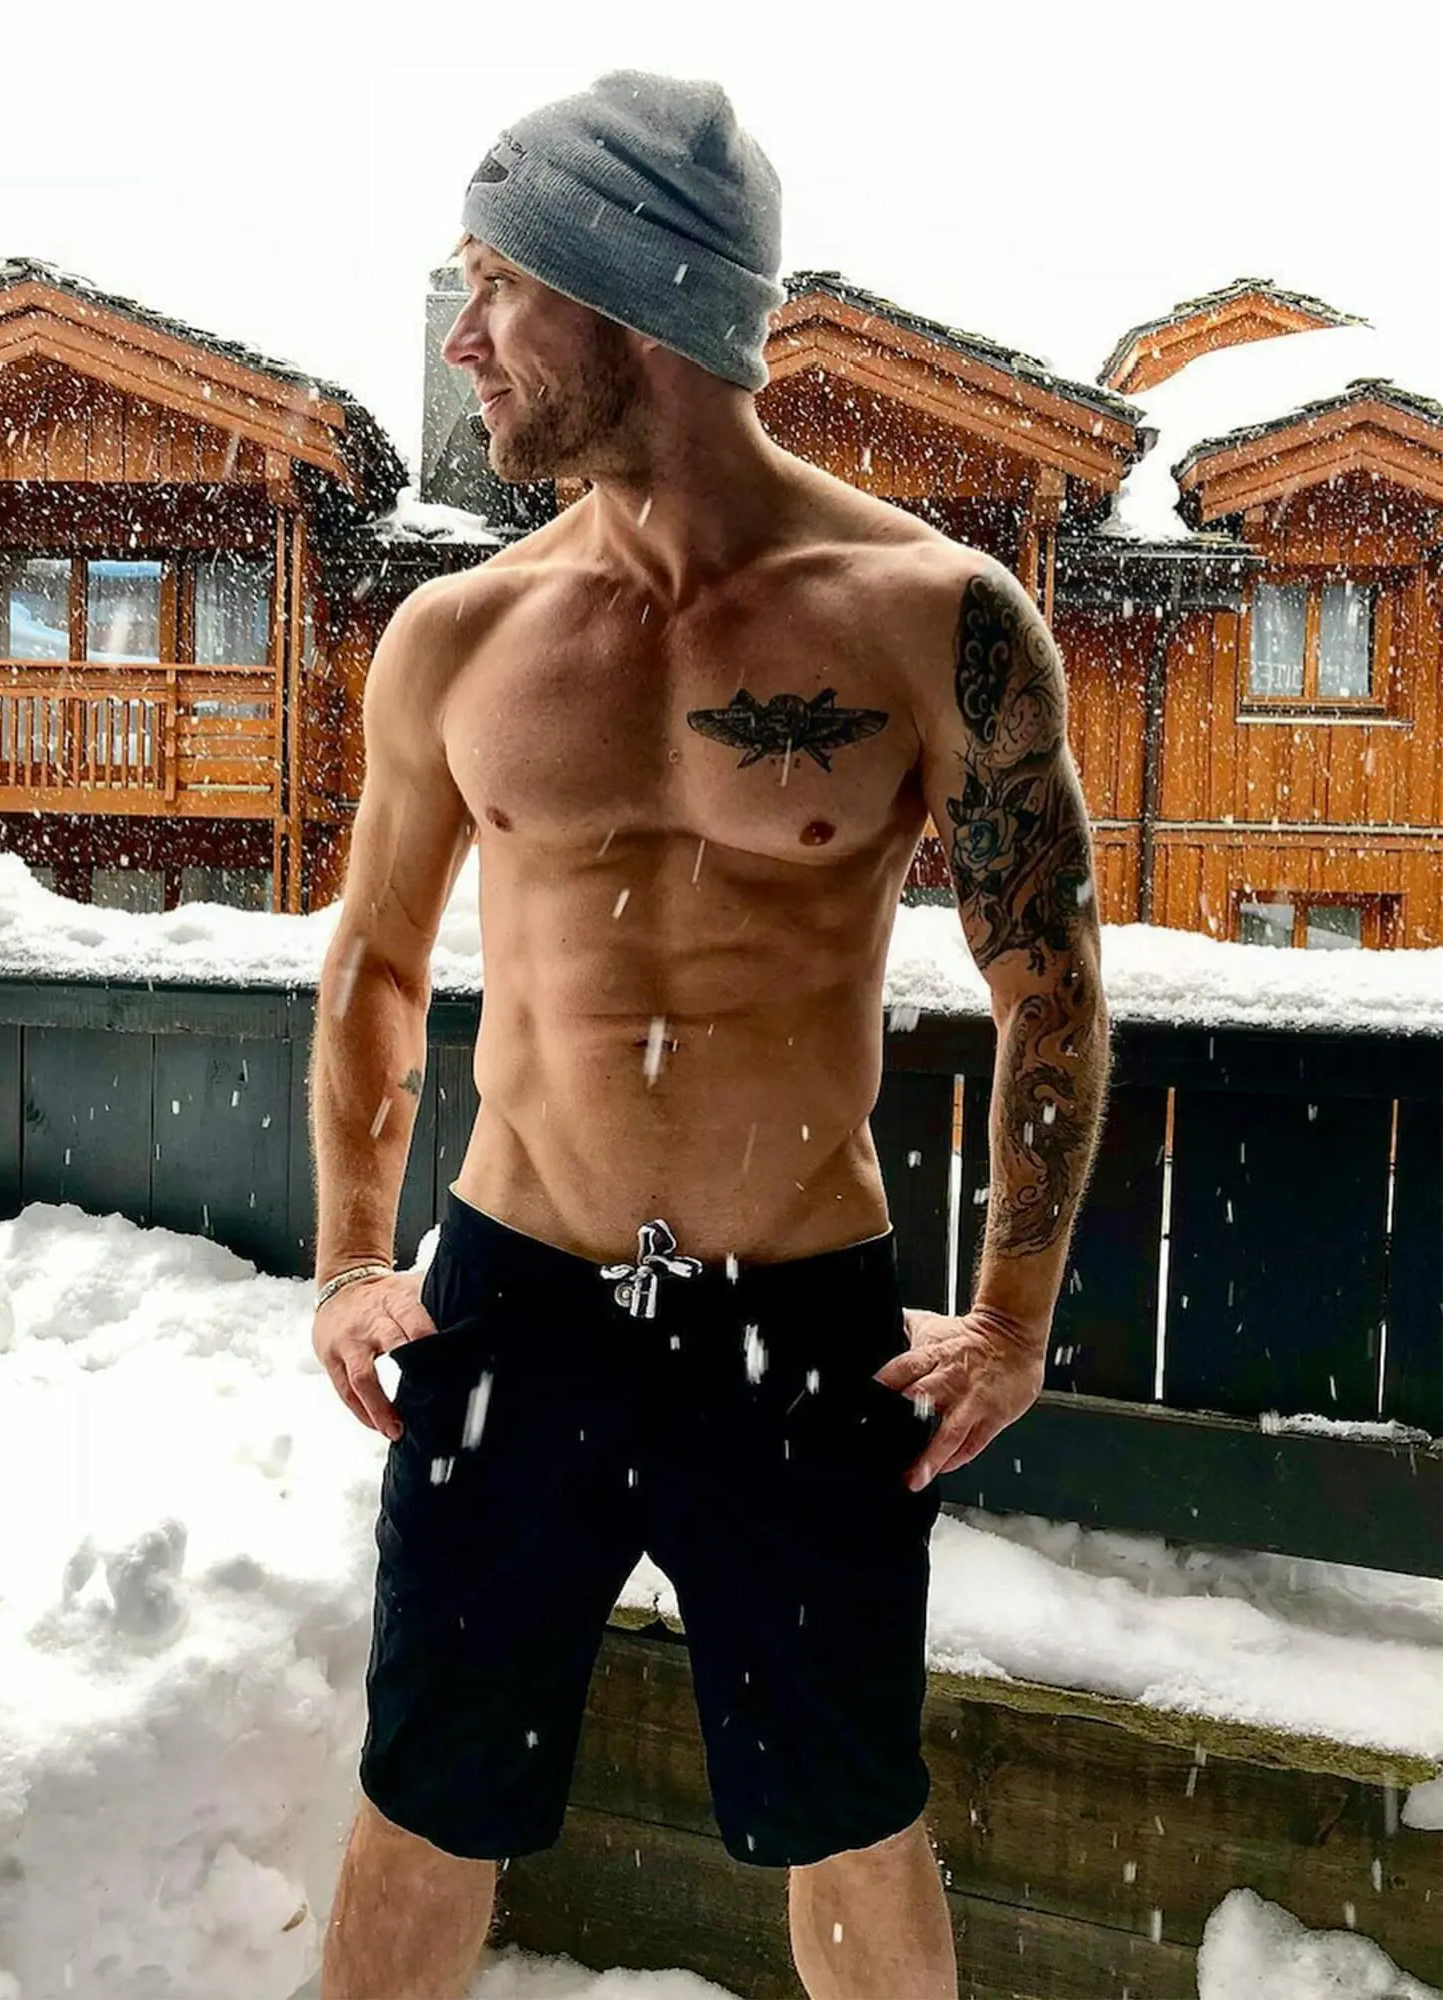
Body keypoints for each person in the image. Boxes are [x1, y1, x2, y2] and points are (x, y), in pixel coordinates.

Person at [310, 67, 1110, 2000]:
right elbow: (375, 968)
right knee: (422, 1809)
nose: (466, 339)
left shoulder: (930, 615)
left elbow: (1052, 983)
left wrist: (1013, 1315)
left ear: (633, 296)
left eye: (499, 284)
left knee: (854, 1824)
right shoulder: (458, 637)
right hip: (512, 1307)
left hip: (802, 1326)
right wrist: (346, 1257)